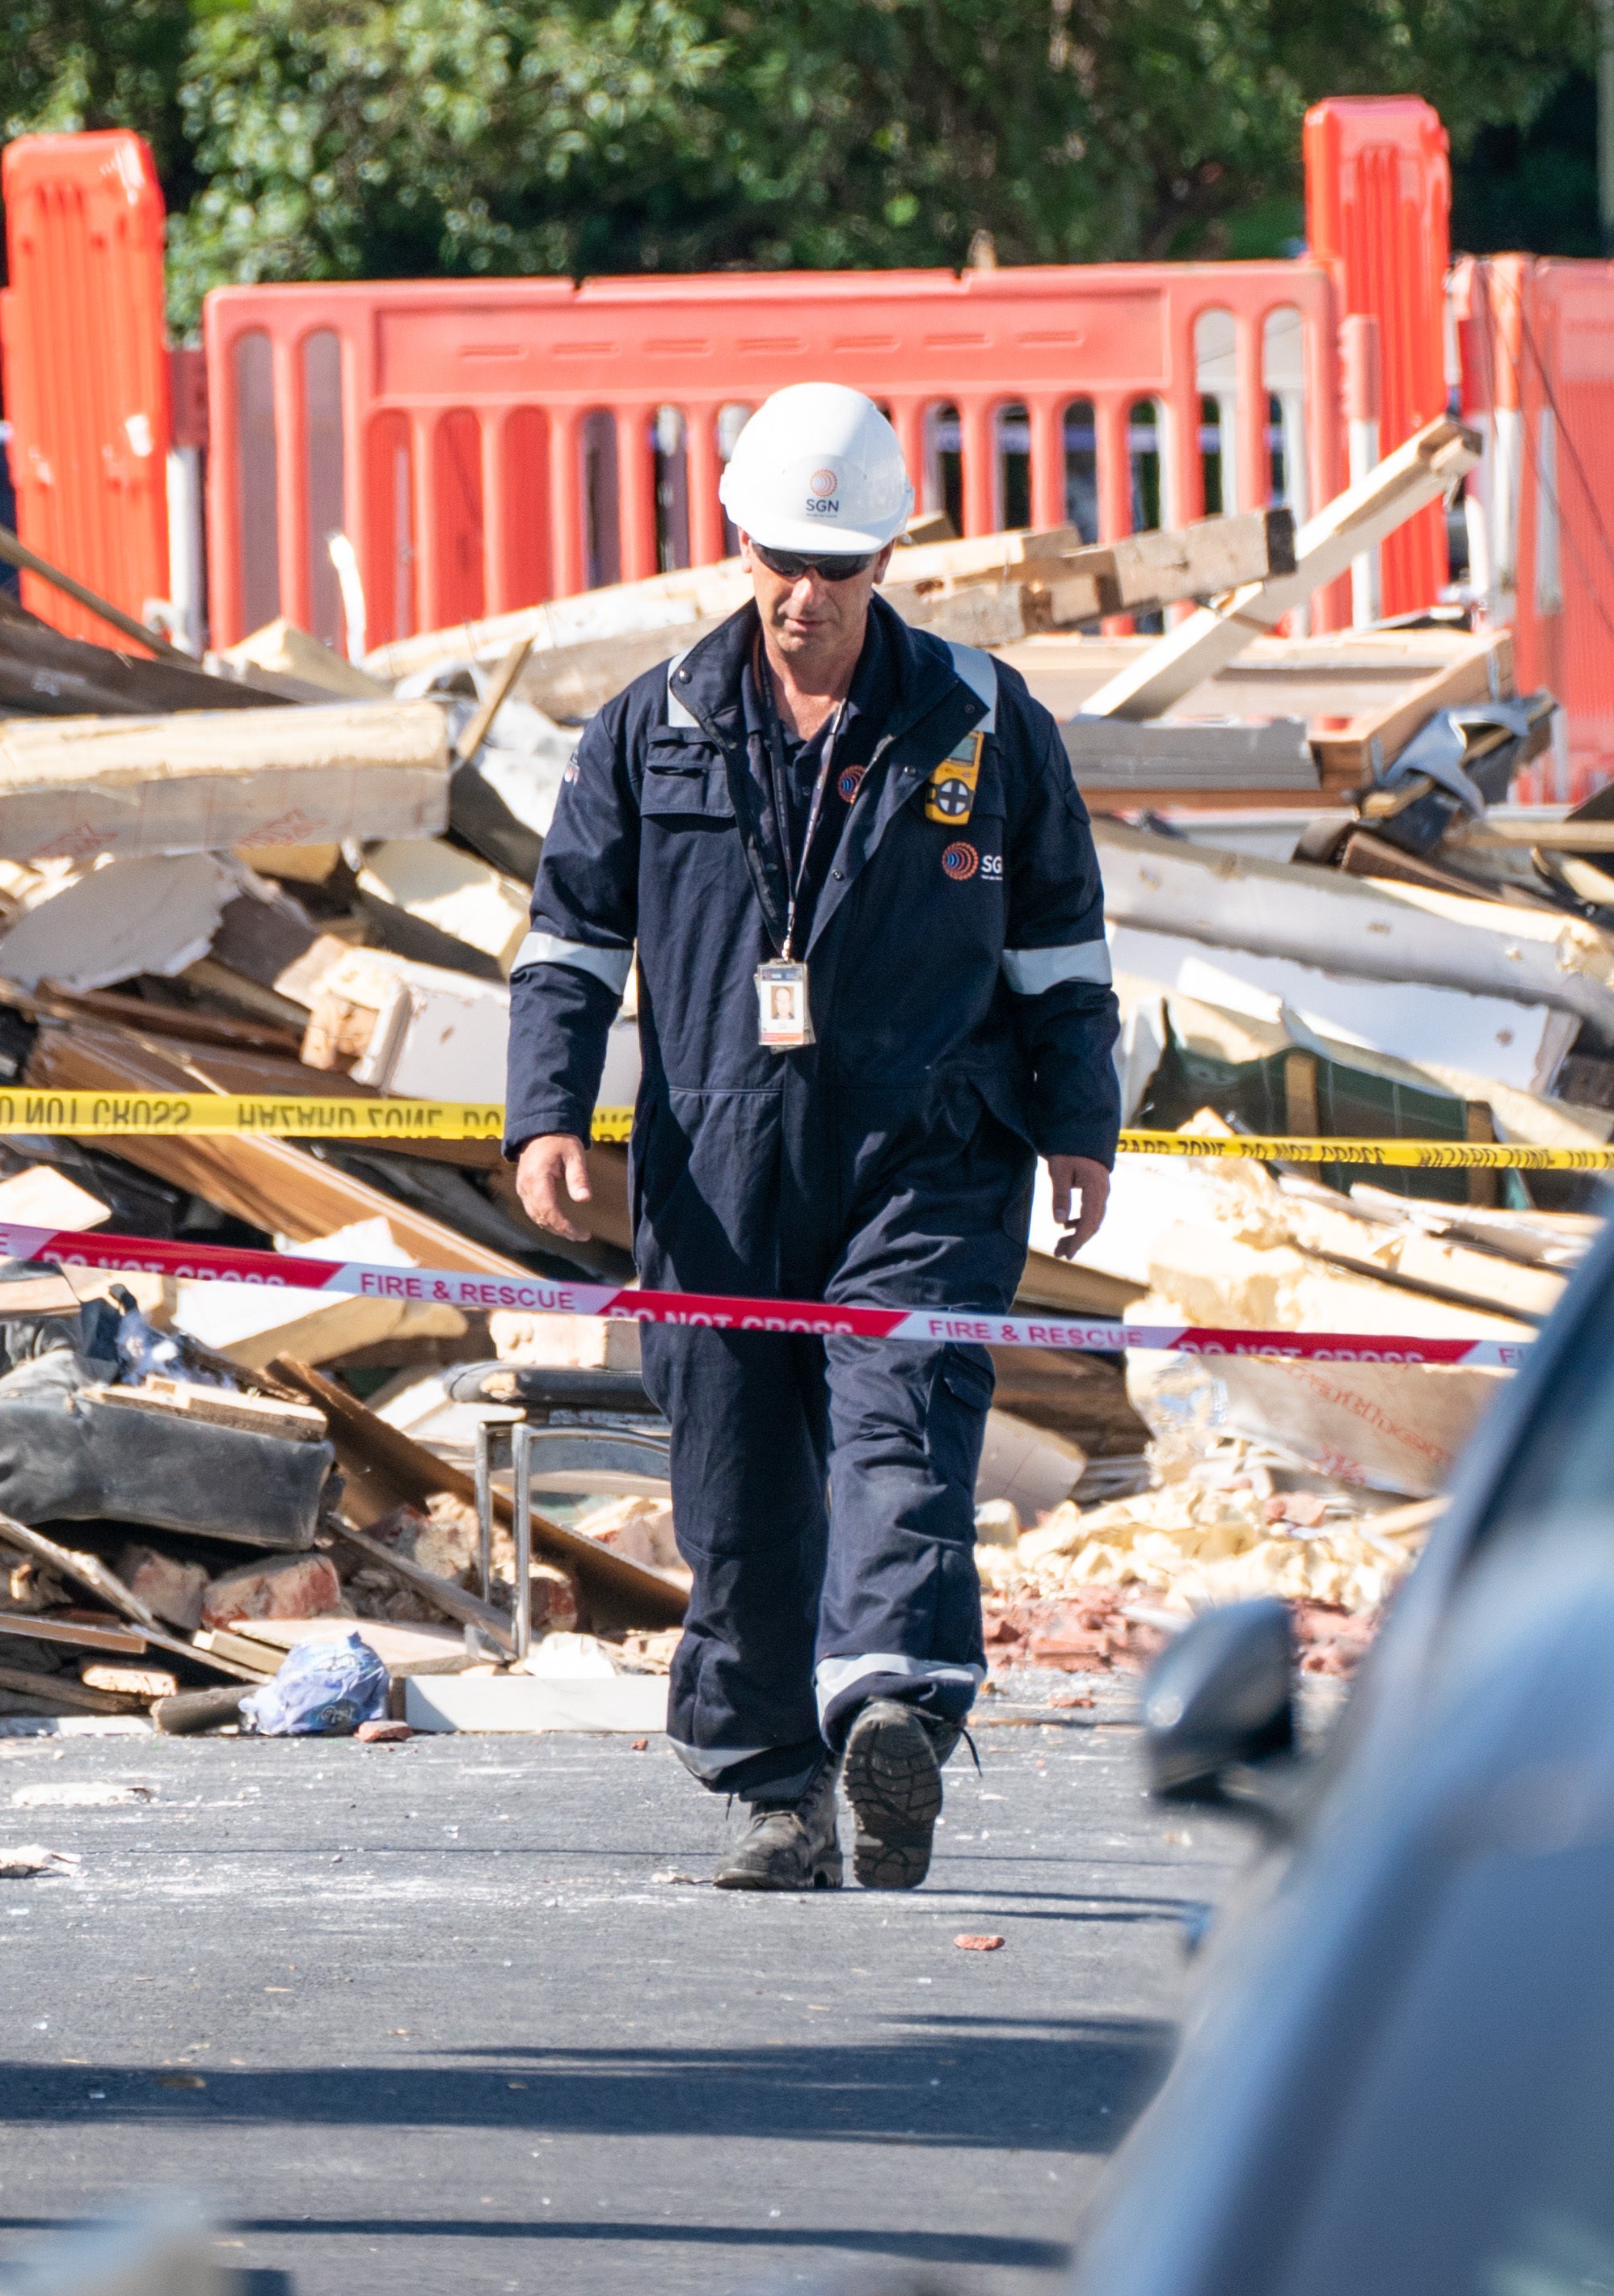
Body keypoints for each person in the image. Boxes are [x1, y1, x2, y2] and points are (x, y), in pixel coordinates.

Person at [504, 382, 1117, 1894]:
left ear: (890, 556)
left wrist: (1078, 1124)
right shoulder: (654, 728)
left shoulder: (981, 716)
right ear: (740, 544)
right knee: (734, 1476)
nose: (806, 594)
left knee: (899, 1415)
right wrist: (546, 1115)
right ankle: (778, 1788)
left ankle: (889, 1710)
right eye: (783, 558)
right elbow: (568, 943)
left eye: (837, 566)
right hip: (715, 1164)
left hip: (930, 1148)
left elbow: (1059, 943)